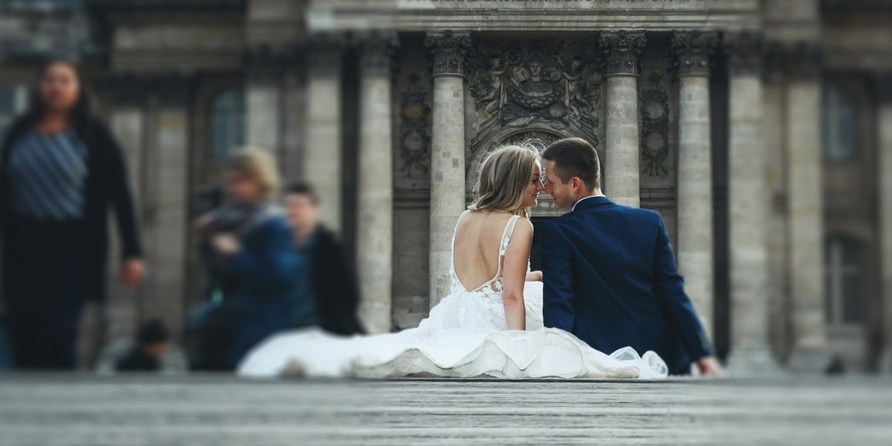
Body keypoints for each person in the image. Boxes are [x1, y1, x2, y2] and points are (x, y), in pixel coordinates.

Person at [238, 145, 667, 378]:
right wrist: (516, 352)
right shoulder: (520, 227)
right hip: (497, 326)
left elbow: (485, 280)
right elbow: (510, 295)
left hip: (456, 318)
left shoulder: (465, 217)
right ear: (517, 182)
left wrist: (535, 276)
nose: (540, 188)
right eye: (535, 180)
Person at [0, 59, 143, 370]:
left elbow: (120, 194)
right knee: (23, 328)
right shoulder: (19, 132)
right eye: (50, 80)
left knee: (60, 327)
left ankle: (60, 400)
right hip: (23, 245)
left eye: (65, 81)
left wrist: (132, 252)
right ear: (39, 88)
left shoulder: (95, 136)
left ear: (78, 89)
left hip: (72, 247)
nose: (56, 87)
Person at [539, 137, 722, 377]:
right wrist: (701, 354)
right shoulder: (650, 222)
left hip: (601, 360)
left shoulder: (557, 232)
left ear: (575, 184)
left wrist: (558, 363)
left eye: (550, 181)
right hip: (661, 356)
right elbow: (673, 292)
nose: (545, 188)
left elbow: (559, 303)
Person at [191, 148, 298, 371]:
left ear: (260, 181)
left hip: (260, 326)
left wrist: (235, 253)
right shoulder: (229, 219)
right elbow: (216, 273)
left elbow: (277, 276)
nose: (234, 188)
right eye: (231, 182)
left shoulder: (273, 223)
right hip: (230, 322)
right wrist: (208, 239)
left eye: (241, 181)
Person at [283, 182, 363, 335]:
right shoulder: (277, 247)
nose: (293, 210)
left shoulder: (330, 247)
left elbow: (348, 296)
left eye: (299, 205)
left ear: (314, 209)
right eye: (289, 205)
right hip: (285, 333)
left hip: (322, 333)